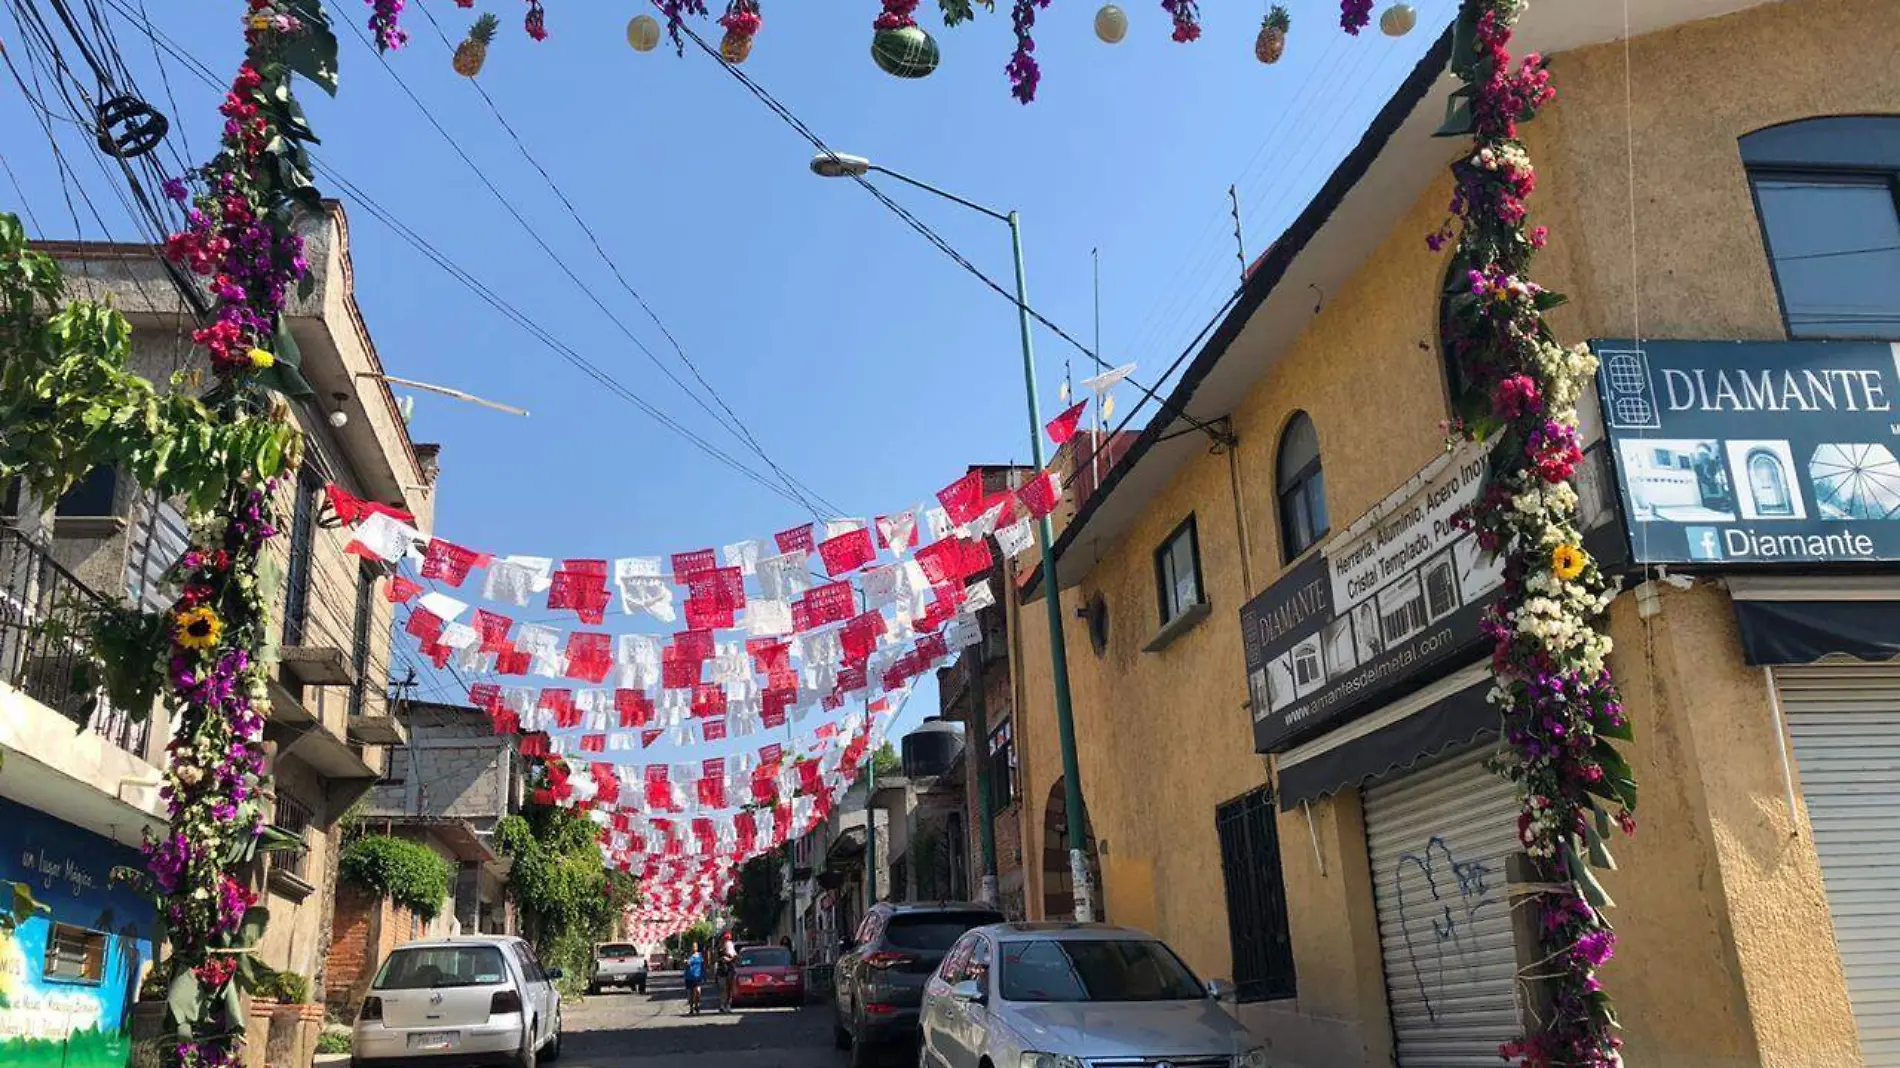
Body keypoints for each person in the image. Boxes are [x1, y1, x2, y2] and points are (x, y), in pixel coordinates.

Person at [715, 931, 739, 1013]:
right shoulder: (718, 947)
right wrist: (720, 959)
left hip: (730, 969)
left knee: (730, 988)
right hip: (722, 970)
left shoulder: (731, 945)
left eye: (728, 938)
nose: (726, 940)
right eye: (725, 938)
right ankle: (722, 1005)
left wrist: (730, 959)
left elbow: (735, 957)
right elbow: (714, 959)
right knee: (723, 988)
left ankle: (728, 1005)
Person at [682, 942, 705, 1015]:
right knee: (690, 994)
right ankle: (691, 1008)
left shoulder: (700, 955)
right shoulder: (688, 955)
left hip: (697, 976)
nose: (694, 948)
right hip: (689, 976)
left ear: (697, 947)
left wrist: (704, 975)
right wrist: (685, 962)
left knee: (698, 992)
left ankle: (697, 1005)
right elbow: (684, 963)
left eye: (695, 946)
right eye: (693, 946)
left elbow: (703, 965)